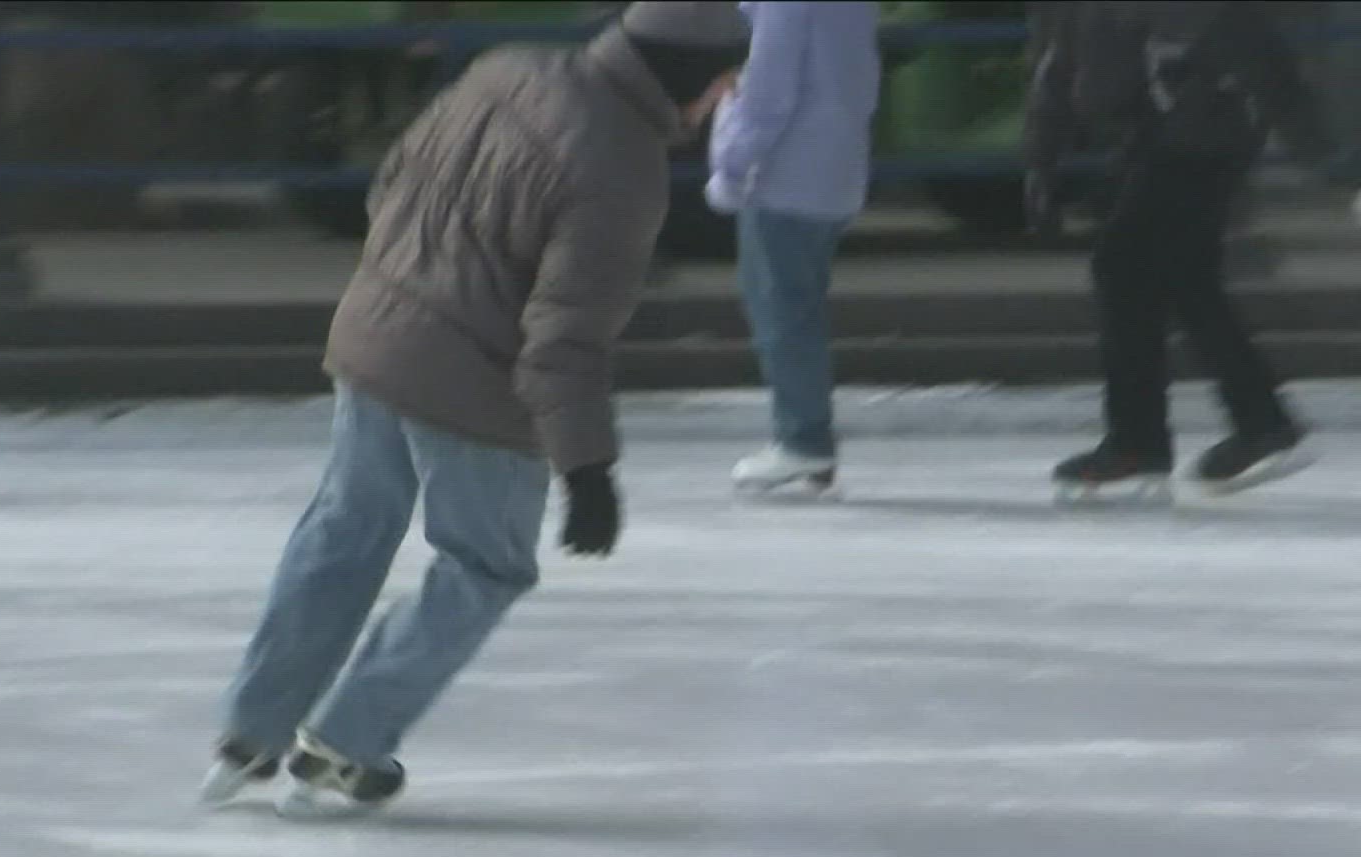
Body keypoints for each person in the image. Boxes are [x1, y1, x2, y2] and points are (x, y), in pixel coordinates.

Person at [197, 2, 748, 816]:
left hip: (375, 334)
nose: (722, 102)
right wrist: (587, 467)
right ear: (689, 77)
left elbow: (395, 179)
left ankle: (251, 732)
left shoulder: (504, 67)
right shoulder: (621, 166)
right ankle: (343, 747)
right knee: (485, 564)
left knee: (345, 528)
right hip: (473, 385)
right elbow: (563, 340)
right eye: (724, 83)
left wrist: (405, 283)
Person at [1026, 1, 1332, 503]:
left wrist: (1300, 126)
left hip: (1197, 130)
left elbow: (1240, 31)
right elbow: (1057, 70)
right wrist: (1042, 162)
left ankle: (1141, 441)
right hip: (1165, 133)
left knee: (1124, 266)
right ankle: (1256, 421)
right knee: (1184, 279)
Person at [707, 1, 880, 498]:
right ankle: (808, 437)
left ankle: (802, 438)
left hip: (787, 173)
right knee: (798, 306)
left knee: (781, 310)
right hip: (833, 165)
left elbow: (767, 87)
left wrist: (734, 163)